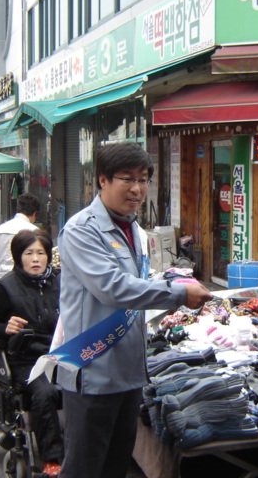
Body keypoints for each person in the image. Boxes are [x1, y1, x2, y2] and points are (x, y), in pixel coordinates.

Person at [56, 142, 213, 478]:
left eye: (143, 179)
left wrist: (172, 283)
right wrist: (178, 293)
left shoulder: (134, 229)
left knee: (116, 466)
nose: (137, 189)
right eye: (127, 179)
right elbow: (113, 287)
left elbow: (138, 283)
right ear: (102, 180)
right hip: (93, 369)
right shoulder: (82, 229)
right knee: (84, 468)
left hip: (129, 372)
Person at [0, 229, 64, 477]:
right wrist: (6, 327)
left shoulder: (61, 281)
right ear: (19, 256)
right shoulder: (6, 287)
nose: (36, 259)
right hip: (27, 359)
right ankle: (52, 459)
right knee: (45, 392)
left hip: (62, 354)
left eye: (41, 253)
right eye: (29, 253)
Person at [0, 192, 40, 282]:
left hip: (0, 277)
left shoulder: (1, 228)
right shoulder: (34, 231)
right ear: (34, 213)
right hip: (24, 278)